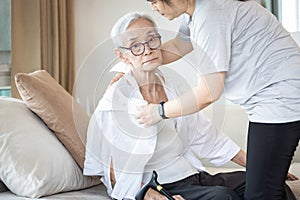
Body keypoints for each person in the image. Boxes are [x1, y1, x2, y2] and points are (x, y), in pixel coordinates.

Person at [125, 1, 300, 199]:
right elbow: (176, 46)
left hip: (281, 99)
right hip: (279, 98)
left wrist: (158, 111)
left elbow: (208, 92)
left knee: (260, 194)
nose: (154, 7)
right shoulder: (197, 13)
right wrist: (129, 67)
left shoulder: (211, 14)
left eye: (155, 1)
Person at [84, 12, 249, 200]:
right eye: (135, 46)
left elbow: (204, 134)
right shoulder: (116, 99)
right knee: (222, 197)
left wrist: (254, 165)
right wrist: (150, 195)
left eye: (151, 40)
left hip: (192, 175)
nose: (147, 50)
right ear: (122, 55)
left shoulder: (171, 85)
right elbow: (110, 167)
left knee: (260, 182)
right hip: (161, 185)